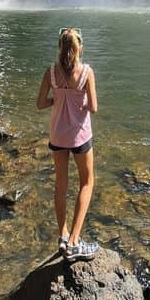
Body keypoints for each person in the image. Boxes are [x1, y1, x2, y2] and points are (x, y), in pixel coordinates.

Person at [36, 27, 99, 261]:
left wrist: (57, 99)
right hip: (80, 136)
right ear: (79, 48)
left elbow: (40, 103)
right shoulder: (86, 73)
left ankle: (62, 236)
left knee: (61, 183)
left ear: (60, 48)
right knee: (87, 182)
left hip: (57, 136)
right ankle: (74, 242)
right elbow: (93, 107)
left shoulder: (50, 73)